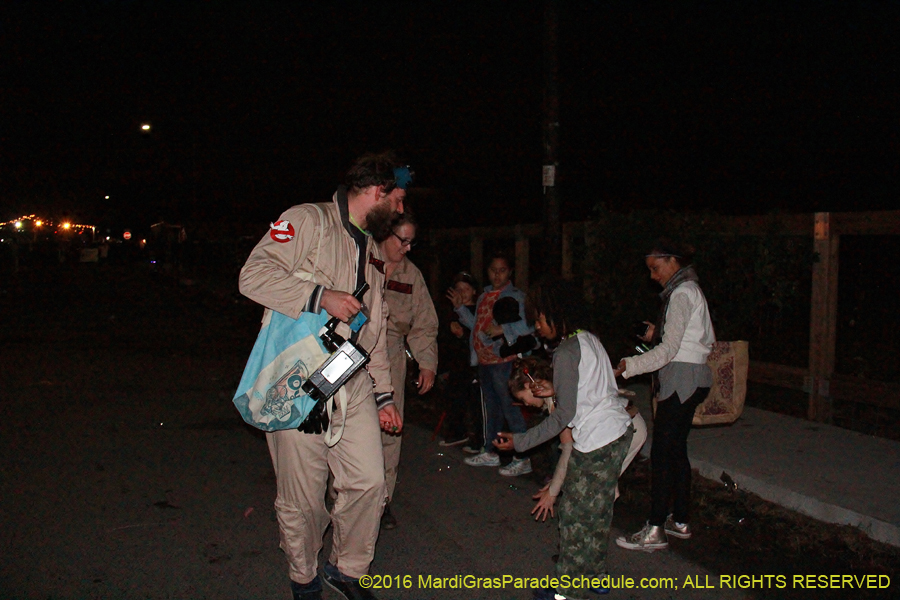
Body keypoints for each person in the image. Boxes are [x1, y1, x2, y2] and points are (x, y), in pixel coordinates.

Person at [238, 152, 410, 600]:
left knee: (370, 481)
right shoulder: (306, 221)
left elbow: (377, 325)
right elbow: (253, 276)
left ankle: (347, 569)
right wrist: (319, 297)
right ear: (376, 191)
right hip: (298, 383)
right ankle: (304, 576)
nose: (400, 210)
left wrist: (385, 395)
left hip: (351, 381)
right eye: (397, 199)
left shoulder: (372, 247)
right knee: (303, 497)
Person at [494, 279, 633, 600]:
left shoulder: (566, 352)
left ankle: (566, 592)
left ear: (556, 315)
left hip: (596, 441)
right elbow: (591, 385)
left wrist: (521, 441)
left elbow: (563, 416)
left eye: (540, 319)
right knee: (598, 512)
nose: (537, 326)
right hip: (617, 432)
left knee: (574, 517)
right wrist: (555, 389)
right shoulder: (588, 340)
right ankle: (596, 576)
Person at [614, 239, 715, 553]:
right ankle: (680, 520)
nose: (652, 276)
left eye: (655, 268)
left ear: (673, 261)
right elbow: (698, 339)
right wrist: (655, 334)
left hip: (681, 380)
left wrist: (628, 366)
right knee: (675, 451)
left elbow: (670, 350)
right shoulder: (690, 290)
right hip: (692, 377)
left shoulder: (682, 293)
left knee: (661, 454)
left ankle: (655, 529)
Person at [508, 357, 648, 523]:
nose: (526, 404)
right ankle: (592, 529)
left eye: (523, 399)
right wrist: (558, 481)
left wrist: (553, 492)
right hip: (619, 426)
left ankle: (591, 533)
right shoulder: (559, 384)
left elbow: (568, 449)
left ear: (528, 386)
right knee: (600, 483)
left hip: (624, 427)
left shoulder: (556, 402)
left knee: (598, 487)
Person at [374, 211, 438, 530]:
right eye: (403, 240)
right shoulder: (361, 261)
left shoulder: (412, 276)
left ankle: (382, 503)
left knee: (389, 431)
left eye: (412, 241)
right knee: (345, 431)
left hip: (393, 355)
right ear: (387, 234)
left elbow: (424, 323)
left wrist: (427, 363)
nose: (408, 248)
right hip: (354, 356)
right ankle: (342, 497)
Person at [449, 252, 535, 476]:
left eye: (502, 270)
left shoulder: (516, 296)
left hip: (504, 361)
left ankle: (523, 456)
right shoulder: (484, 296)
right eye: (493, 270)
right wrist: (460, 309)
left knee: (509, 407)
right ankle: (491, 451)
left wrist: (503, 330)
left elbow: (530, 326)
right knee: (491, 409)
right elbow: (476, 324)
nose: (497, 275)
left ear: (510, 272)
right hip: (484, 361)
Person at [440, 271, 482, 450]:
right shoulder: (451, 312)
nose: (462, 293)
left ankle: (478, 440)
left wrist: (463, 335)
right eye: (458, 289)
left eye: (466, 289)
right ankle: (458, 433)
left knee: (475, 405)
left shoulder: (479, 311)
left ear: (474, 291)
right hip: (456, 365)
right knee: (454, 398)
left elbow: (479, 336)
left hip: (474, 366)